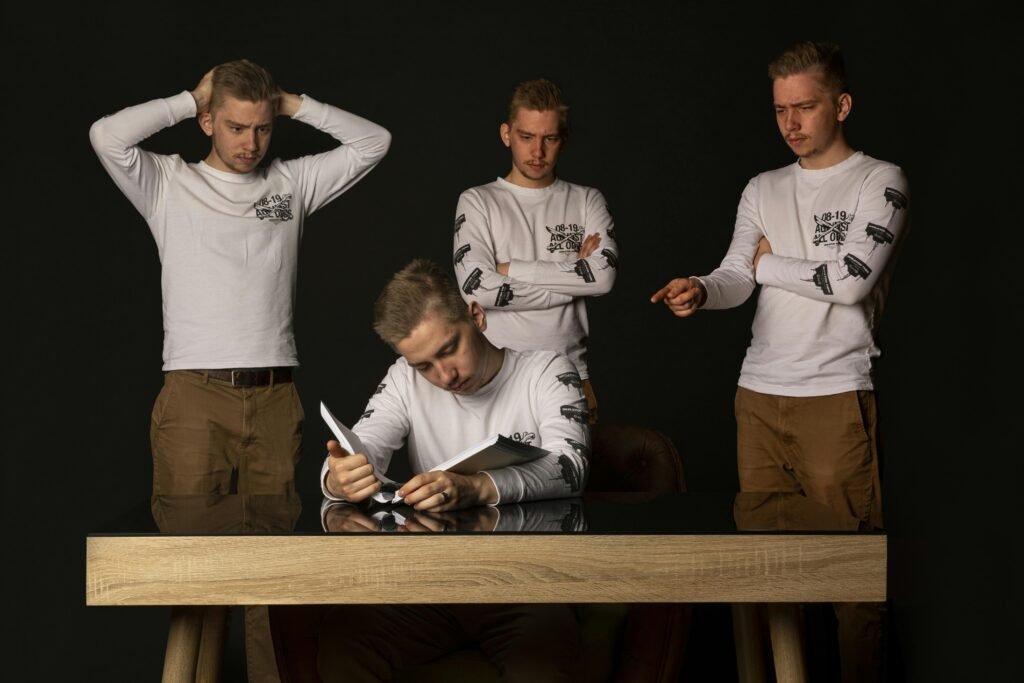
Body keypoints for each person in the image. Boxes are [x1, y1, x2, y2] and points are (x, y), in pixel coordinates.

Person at [651, 41, 909, 681]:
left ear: (841, 105)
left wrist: (770, 264)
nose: (792, 123)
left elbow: (849, 281)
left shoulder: (881, 181)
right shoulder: (763, 187)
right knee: (764, 572)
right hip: (758, 397)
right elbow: (736, 274)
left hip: (834, 397)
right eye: (780, 111)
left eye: (806, 107)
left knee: (850, 579)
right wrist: (703, 290)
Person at [89, 60, 391, 501]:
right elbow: (106, 136)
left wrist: (290, 103)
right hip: (196, 391)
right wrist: (189, 99)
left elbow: (374, 142)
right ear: (208, 122)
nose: (251, 143)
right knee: (190, 547)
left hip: (275, 395)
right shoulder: (168, 183)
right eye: (236, 127)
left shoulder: (291, 183)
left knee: (271, 545)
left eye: (264, 129)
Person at [316, 258, 589, 681]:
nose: (444, 375)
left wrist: (477, 487)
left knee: (540, 667)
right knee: (342, 648)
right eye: (424, 365)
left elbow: (571, 466)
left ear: (475, 317)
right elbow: (363, 444)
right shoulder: (404, 380)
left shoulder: (546, 370)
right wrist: (337, 477)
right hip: (430, 587)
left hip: (528, 586)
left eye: (448, 349)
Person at [453, 78, 618, 423]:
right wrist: (570, 280)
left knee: (573, 478)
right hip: (496, 377)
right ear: (506, 134)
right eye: (526, 137)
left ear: (564, 140)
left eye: (550, 139)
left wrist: (510, 269)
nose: (537, 152)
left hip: (569, 376)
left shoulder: (587, 200)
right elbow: (476, 287)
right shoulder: (478, 201)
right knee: (494, 478)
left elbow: (602, 278)